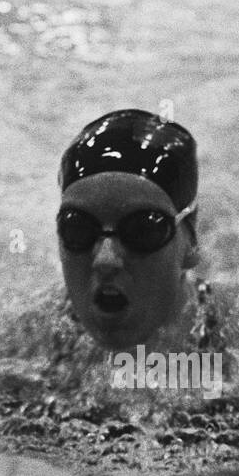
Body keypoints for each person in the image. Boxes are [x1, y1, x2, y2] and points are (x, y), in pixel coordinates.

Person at [56, 108, 216, 352]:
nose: (105, 259)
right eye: (78, 229)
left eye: (141, 231)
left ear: (191, 245)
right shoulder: (23, 344)